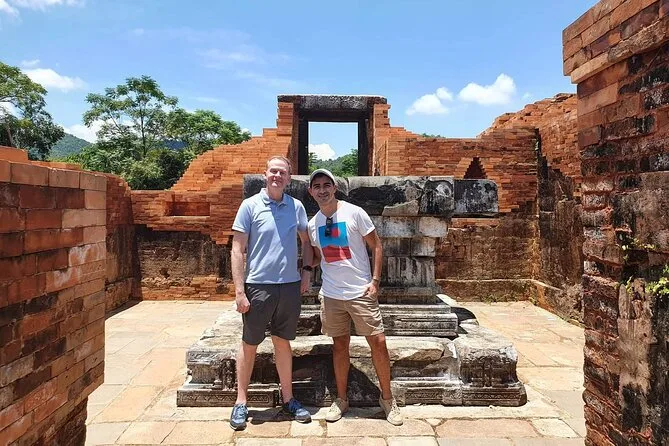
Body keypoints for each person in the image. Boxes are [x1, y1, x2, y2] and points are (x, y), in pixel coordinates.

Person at [305, 168, 403, 425]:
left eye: (327, 185)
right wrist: (299, 263)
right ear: (311, 191)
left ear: (334, 188)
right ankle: (341, 398)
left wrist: (375, 281)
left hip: (360, 290)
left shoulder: (354, 212)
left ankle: (387, 398)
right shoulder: (313, 224)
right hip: (332, 293)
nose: (322, 190)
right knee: (339, 345)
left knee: (378, 342)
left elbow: (376, 245)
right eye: (317, 186)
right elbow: (318, 257)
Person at [229, 156, 313, 430]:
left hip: (288, 286)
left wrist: (307, 271)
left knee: (283, 342)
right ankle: (241, 401)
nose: (277, 176)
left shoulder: (296, 206)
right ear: (265, 174)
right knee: (249, 343)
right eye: (273, 171)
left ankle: (288, 398)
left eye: (282, 172)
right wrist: (239, 291)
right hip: (258, 285)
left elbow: (306, 242)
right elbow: (237, 250)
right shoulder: (250, 206)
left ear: (289, 178)